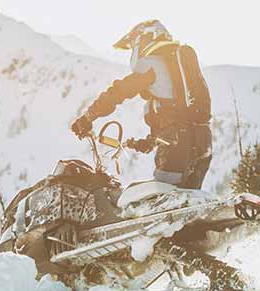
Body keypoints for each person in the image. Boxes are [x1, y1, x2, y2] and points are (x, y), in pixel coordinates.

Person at [70, 20, 212, 189]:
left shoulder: (152, 65)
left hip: (176, 143)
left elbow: (119, 92)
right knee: (186, 200)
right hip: (203, 141)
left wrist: (88, 116)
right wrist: (149, 141)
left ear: (143, 39)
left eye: (133, 45)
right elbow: (176, 114)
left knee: (160, 199)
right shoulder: (175, 71)